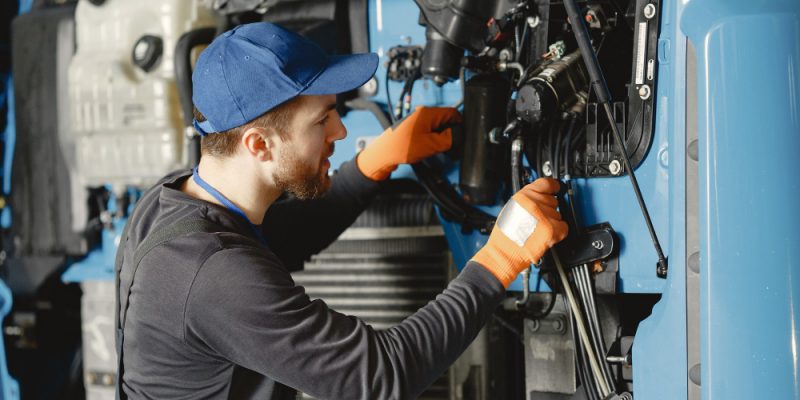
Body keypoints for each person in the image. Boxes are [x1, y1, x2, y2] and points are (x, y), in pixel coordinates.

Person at [114, 22, 568, 400]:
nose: (341, 128)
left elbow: (282, 237)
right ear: (258, 144)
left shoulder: (175, 199)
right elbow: (383, 374)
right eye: (321, 119)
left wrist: (376, 162)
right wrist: (500, 259)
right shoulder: (212, 275)